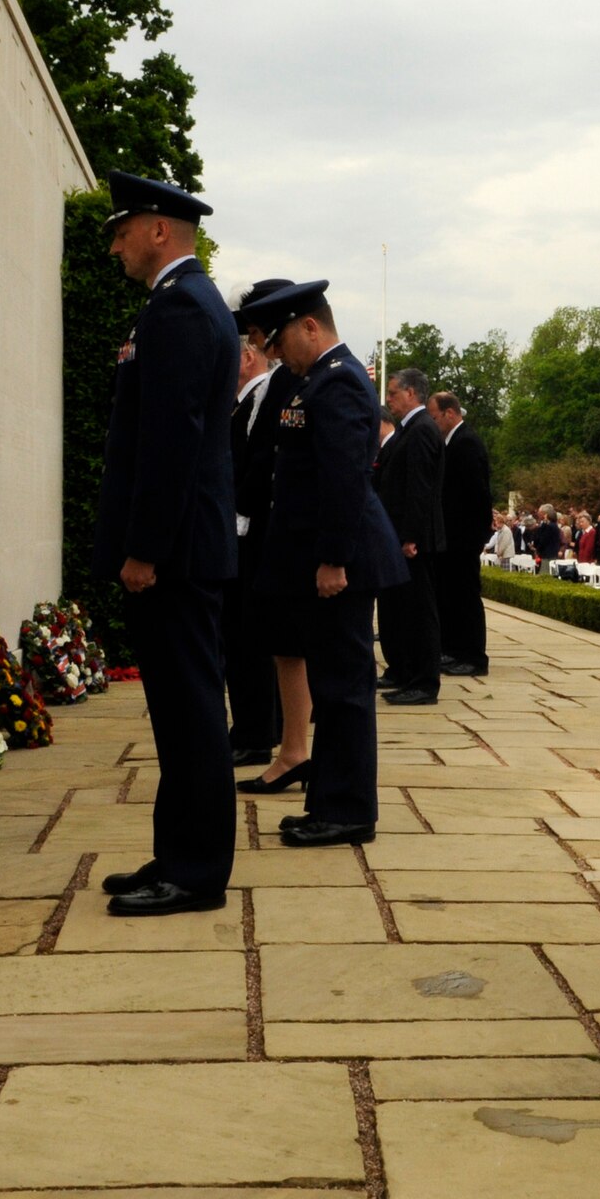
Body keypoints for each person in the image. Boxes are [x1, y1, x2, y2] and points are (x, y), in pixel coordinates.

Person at [91, 171, 242, 917]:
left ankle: (195, 871)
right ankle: (178, 853)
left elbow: (170, 444)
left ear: (159, 231)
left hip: (175, 551)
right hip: (184, 546)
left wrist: (144, 546)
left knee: (189, 713)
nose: (115, 242)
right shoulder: (179, 303)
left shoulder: (180, 308)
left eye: (124, 228)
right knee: (181, 713)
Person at [242, 280, 407, 846]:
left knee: (344, 690)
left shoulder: (337, 383)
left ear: (311, 326)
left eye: (282, 338)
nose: (275, 353)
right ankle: (329, 801)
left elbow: (343, 479)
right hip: (324, 556)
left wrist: (333, 559)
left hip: (344, 560)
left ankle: (350, 811)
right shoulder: (315, 378)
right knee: (334, 687)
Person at [226, 281, 295, 769]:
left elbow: (260, 465)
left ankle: (257, 732)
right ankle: (258, 727)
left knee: (250, 641)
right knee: (249, 640)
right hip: (248, 529)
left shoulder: (270, 392)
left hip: (256, 532)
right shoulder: (256, 397)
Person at [375, 368, 446, 704]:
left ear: (411, 393)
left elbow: (419, 488)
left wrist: (411, 536)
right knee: (406, 610)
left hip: (417, 539)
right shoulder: (411, 428)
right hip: (404, 534)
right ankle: (406, 671)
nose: (389, 400)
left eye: (392, 393)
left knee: (421, 612)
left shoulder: (420, 430)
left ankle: (424, 681)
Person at [430, 392, 494, 676]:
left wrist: (476, 536)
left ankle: (473, 656)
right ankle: (455, 650)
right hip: (455, 535)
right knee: (453, 595)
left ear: (450, 413)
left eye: (434, 417)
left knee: (466, 596)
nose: (433, 423)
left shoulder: (466, 442)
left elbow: (477, 495)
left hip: (464, 537)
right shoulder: (453, 441)